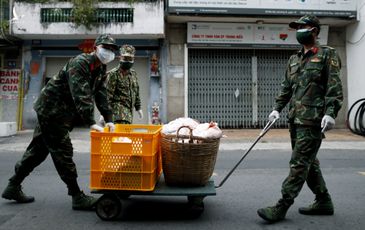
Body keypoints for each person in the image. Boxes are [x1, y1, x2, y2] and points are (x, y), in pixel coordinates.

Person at [1, 34, 118, 210]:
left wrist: (109, 119)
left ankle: (12, 186)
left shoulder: (100, 69)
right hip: (52, 111)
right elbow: (81, 93)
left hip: (58, 112)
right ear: (95, 48)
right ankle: (77, 196)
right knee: (63, 152)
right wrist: (90, 121)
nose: (108, 52)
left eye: (111, 49)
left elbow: (101, 93)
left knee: (38, 151)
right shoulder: (80, 63)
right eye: (105, 47)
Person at [257, 15, 343, 223]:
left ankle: (282, 205)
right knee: (309, 163)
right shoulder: (294, 59)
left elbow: (334, 88)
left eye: (303, 27)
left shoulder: (327, 55)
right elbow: (287, 88)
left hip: (313, 121)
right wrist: (277, 109)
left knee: (299, 163)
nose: (299, 31)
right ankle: (323, 200)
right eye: (297, 28)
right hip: (295, 120)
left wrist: (331, 112)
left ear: (314, 31)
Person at [101, 44, 143, 125]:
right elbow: (108, 95)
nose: (127, 61)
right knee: (120, 137)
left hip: (129, 114)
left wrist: (138, 108)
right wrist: (103, 113)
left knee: (125, 137)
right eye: (125, 58)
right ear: (120, 58)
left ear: (133, 59)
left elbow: (136, 91)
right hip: (117, 115)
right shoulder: (114, 74)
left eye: (130, 58)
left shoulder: (133, 74)